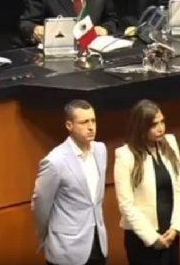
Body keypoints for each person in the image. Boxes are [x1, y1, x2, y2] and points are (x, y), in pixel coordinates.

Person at [31, 99, 108, 265]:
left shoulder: (101, 150)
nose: (91, 127)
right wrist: (47, 235)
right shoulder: (55, 161)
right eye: (84, 122)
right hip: (67, 248)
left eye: (93, 121)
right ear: (69, 125)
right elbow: (40, 203)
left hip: (97, 244)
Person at [114, 99, 180, 265]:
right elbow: (126, 205)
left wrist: (176, 227)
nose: (160, 128)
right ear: (141, 127)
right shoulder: (125, 155)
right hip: (142, 238)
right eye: (154, 125)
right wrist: (152, 238)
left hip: (170, 233)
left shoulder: (170, 142)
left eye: (162, 122)